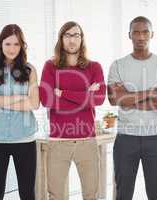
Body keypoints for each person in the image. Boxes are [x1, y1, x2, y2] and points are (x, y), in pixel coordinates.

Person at [107, 16, 157, 200]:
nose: (141, 36)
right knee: (123, 194)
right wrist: (151, 92)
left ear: (152, 34)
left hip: (155, 138)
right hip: (125, 138)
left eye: (145, 32)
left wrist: (129, 97)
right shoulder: (118, 65)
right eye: (136, 32)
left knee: (156, 194)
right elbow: (115, 99)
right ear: (129, 35)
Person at [39, 21, 106, 200]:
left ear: (82, 39)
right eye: (67, 35)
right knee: (56, 196)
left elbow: (98, 99)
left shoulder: (95, 67)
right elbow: (47, 99)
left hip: (87, 140)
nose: (72, 40)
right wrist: (85, 95)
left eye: (76, 35)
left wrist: (63, 94)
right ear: (61, 39)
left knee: (91, 195)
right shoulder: (50, 67)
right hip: (58, 140)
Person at [0, 24, 39, 200]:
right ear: (0, 44)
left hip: (25, 138)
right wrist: (18, 98)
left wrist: (2, 101)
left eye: (16, 44)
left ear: (22, 46)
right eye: (8, 44)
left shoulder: (30, 70)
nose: (12, 48)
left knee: (27, 194)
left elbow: (34, 103)